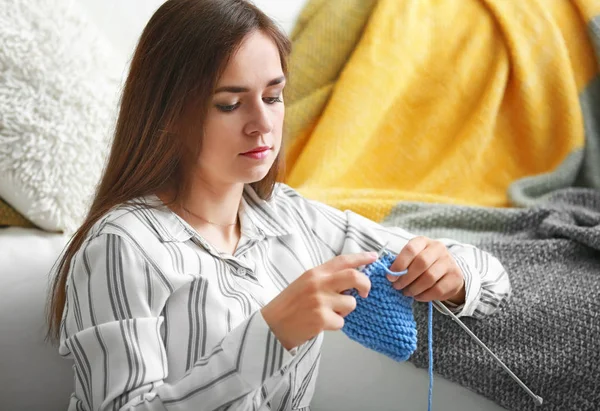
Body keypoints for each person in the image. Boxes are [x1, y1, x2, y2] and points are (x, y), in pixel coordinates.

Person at [47, 1, 511, 410]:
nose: (263, 124)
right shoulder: (122, 246)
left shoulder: (289, 216)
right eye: (230, 105)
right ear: (169, 111)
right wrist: (270, 335)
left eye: (273, 96)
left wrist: (451, 275)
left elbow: (492, 279)